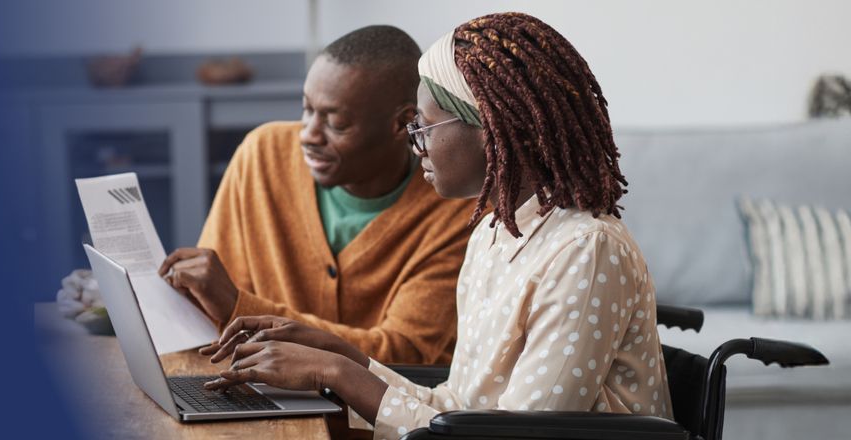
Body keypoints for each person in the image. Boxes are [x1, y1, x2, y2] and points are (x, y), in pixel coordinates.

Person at [198, 12, 673, 439]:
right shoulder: (494, 234)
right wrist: (343, 357)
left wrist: (337, 375)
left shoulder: (586, 250)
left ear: (493, 128)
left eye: (422, 126)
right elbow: (455, 410)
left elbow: (521, 439)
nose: (413, 144)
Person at [155, 25, 477, 365]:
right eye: (307, 109)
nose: (308, 135)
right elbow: (204, 311)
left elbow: (404, 355)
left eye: (336, 124)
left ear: (403, 123)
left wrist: (239, 307)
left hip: (372, 417)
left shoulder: (455, 210)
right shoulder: (262, 154)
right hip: (253, 391)